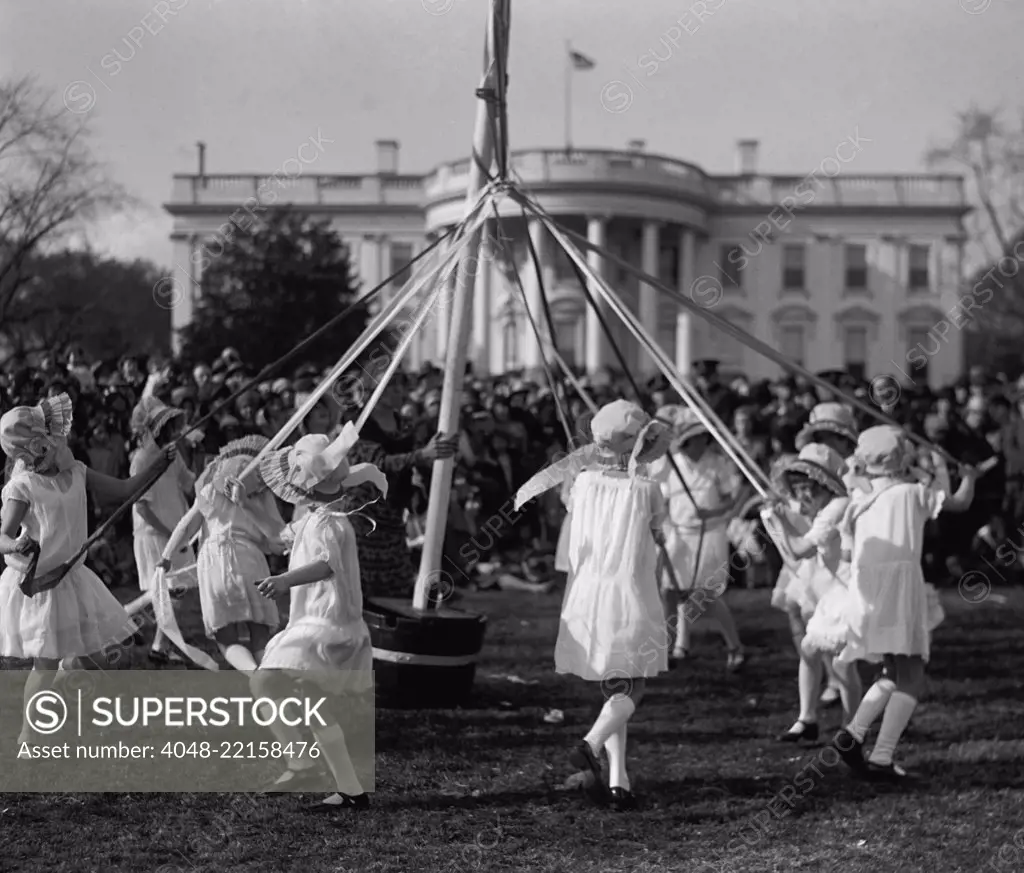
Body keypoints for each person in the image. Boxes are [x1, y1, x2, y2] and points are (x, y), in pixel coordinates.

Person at [514, 399, 673, 811]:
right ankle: (590, 743)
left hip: (588, 594)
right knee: (635, 683)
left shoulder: (582, 483)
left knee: (617, 683)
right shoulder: (648, 488)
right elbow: (658, 536)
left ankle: (620, 782)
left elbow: (573, 502)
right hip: (630, 591)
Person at [0, 393, 175, 744]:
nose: (56, 441)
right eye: (46, 438)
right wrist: (17, 544)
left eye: (54, 436)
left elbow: (124, 490)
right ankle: (28, 737)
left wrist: (158, 465)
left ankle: (72, 674)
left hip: (75, 579)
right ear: (31, 448)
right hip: (42, 585)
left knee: (108, 655)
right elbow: (2, 536)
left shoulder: (78, 471)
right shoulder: (22, 487)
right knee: (44, 665)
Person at [251, 423, 387, 811]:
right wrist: (245, 503)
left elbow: (325, 565)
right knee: (312, 703)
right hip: (323, 626)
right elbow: (277, 536)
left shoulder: (329, 522)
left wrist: (283, 580)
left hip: (323, 628)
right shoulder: (317, 517)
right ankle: (348, 788)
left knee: (264, 683)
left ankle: (303, 761)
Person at [833, 427, 978, 781]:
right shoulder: (911, 493)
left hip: (868, 589)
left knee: (892, 670)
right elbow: (958, 502)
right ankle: (881, 757)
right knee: (911, 673)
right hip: (899, 589)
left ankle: (853, 734)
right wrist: (964, 475)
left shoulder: (858, 501)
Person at [761, 444, 862, 742]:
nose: (802, 494)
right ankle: (809, 719)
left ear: (825, 484)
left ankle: (851, 728)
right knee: (810, 649)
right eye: (798, 487)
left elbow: (798, 552)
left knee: (843, 661)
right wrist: (780, 509)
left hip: (849, 591)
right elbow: (798, 512)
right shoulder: (827, 505)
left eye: (808, 487)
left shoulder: (836, 509)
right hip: (834, 591)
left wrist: (775, 522)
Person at [336, 355, 458, 599]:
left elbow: (418, 459)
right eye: (391, 385)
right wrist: (422, 455)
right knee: (359, 585)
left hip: (393, 511)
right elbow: (375, 463)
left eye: (401, 384)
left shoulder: (405, 424)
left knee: (397, 585)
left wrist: (439, 455)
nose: (399, 391)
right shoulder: (356, 423)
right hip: (362, 514)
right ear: (373, 388)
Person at [160, 436, 286, 671]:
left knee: (226, 638)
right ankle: (272, 690)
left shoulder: (209, 489)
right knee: (260, 632)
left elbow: (187, 526)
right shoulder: (261, 494)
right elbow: (277, 536)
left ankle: (253, 674)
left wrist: (167, 556)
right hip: (252, 560)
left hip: (215, 563)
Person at [649, 406, 746, 671]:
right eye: (695, 438)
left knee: (705, 596)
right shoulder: (672, 465)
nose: (700, 442)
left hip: (710, 535)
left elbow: (731, 501)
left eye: (704, 436)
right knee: (668, 592)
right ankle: (666, 651)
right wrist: (661, 527)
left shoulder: (718, 464)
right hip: (678, 535)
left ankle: (735, 647)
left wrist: (711, 512)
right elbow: (663, 500)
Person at [129, 397, 196, 664]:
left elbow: (189, 483)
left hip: (175, 532)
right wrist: (169, 533)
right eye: (169, 426)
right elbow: (141, 507)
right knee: (166, 594)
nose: (174, 430)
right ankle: (158, 646)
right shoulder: (141, 460)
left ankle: (125, 620)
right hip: (154, 535)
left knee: (171, 592)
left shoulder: (173, 454)